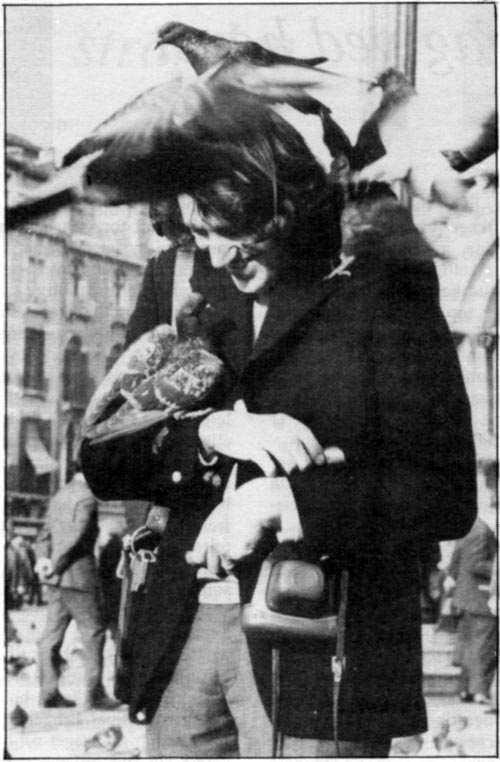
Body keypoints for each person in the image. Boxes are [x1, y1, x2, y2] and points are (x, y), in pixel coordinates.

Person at [81, 93, 477, 756]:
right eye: (197, 229)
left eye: (229, 229)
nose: (216, 256)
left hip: (324, 646)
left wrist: (287, 501)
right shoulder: (178, 274)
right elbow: (104, 456)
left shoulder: (381, 277)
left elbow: (445, 490)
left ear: (283, 205)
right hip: (183, 638)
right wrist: (210, 434)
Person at [35, 465, 120, 710]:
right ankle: (95, 695)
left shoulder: (60, 495)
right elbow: (76, 537)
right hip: (79, 578)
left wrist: (43, 559)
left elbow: (44, 533)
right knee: (93, 632)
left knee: (51, 636)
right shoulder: (87, 498)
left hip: (57, 581)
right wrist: (57, 565)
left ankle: (48, 692)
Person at [447, 497, 497, 705]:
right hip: (480, 598)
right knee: (484, 646)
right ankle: (480, 691)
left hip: (467, 597)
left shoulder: (469, 527)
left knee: (469, 646)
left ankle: (466, 690)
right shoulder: (482, 531)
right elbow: (477, 563)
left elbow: (456, 560)